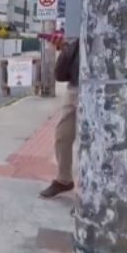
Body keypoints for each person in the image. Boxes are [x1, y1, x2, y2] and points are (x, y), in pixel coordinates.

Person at [40, 37, 79, 198]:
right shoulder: (81, 28)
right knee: (63, 134)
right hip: (76, 86)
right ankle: (64, 180)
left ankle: (94, 194)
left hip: (105, 89)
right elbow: (61, 73)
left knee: (95, 142)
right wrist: (65, 48)